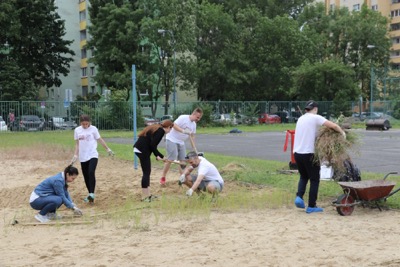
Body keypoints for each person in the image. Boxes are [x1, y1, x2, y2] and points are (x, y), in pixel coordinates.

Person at [293, 100, 346, 214]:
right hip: (309, 154)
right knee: (314, 179)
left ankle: (299, 197)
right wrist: (342, 132)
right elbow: (333, 125)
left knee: (303, 176)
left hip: (297, 153)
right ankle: (312, 206)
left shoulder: (301, 119)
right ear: (315, 109)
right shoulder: (315, 117)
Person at [71, 114, 114, 203]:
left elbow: (100, 139)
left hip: (92, 154)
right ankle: (90, 195)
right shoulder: (77, 130)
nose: (85, 126)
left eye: (87, 124)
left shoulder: (93, 129)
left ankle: (92, 194)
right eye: (83, 124)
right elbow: (77, 144)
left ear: (89, 122)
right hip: (83, 156)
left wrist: (107, 149)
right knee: (86, 176)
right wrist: (75, 155)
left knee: (91, 172)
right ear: (80, 123)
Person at [160, 107, 203, 185]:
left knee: (183, 161)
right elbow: (174, 125)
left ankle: (182, 178)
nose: (198, 119)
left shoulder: (194, 125)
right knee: (171, 159)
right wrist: (183, 131)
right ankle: (163, 177)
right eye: (197, 117)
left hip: (181, 142)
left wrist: (194, 149)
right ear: (193, 114)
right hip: (171, 139)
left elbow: (192, 136)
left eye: (199, 118)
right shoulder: (183, 118)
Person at [133, 119, 174, 202]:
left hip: (141, 149)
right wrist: (160, 155)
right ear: (169, 127)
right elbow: (153, 145)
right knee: (146, 173)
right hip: (142, 150)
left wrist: (157, 155)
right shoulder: (161, 131)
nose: (170, 131)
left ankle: (148, 195)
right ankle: (145, 197)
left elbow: (151, 144)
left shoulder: (158, 128)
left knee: (147, 172)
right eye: (171, 129)